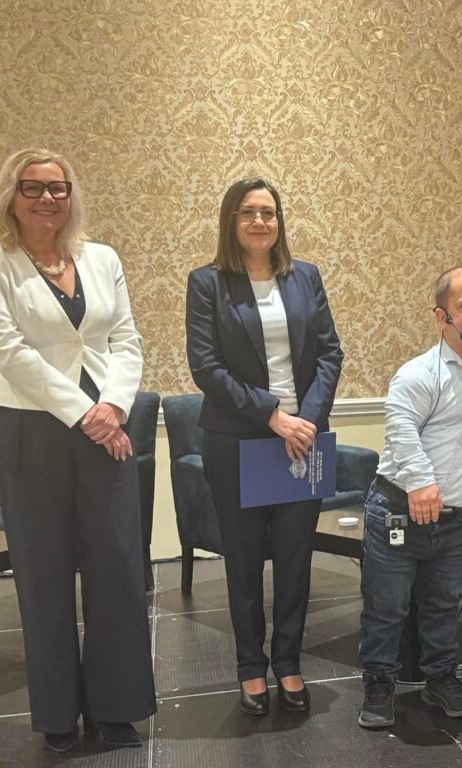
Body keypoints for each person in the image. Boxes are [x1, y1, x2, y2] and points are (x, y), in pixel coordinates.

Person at [0, 148, 155, 753]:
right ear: (11, 196)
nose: (48, 198)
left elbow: (126, 337)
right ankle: (57, 716)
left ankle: (117, 708)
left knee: (118, 568)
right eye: (33, 187)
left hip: (108, 422)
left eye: (59, 187)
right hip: (32, 429)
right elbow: (9, 351)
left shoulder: (102, 258)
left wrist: (114, 406)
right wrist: (84, 414)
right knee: (43, 573)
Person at [186, 178, 343, 715]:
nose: (260, 222)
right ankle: (251, 667)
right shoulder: (207, 283)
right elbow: (206, 367)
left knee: (297, 558)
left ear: (280, 221)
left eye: (269, 213)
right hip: (239, 440)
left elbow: (330, 354)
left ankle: (289, 662)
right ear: (231, 220)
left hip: (304, 438)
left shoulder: (305, 277)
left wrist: (306, 421)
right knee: (245, 560)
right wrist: (273, 415)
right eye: (249, 212)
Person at [358, 266, 462, 728]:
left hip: (456, 518)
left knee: (444, 604)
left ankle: (440, 678)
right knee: (387, 607)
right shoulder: (417, 374)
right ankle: (379, 684)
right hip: (400, 510)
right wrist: (421, 482)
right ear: (442, 317)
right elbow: (401, 430)